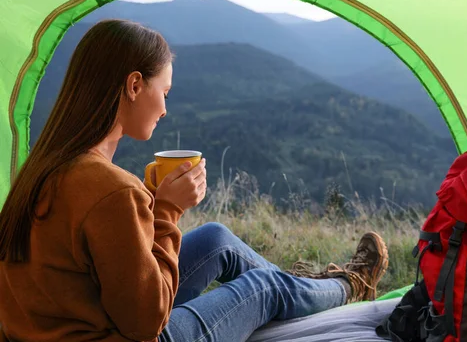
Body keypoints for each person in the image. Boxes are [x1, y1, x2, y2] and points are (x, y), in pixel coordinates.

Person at [0, 19, 389, 342]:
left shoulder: (45, 166)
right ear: (134, 86)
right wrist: (167, 209)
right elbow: (144, 324)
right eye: (164, 92)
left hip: (57, 325)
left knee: (216, 239)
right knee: (263, 287)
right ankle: (350, 285)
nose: (166, 109)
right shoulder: (111, 188)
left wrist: (148, 206)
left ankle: (299, 288)